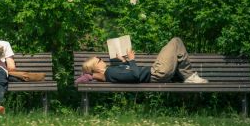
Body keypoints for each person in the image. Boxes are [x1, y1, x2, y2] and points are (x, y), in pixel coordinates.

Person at [79, 37, 208, 84]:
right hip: (157, 73)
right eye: (99, 60)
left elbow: (127, 73)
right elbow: (135, 76)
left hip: (157, 72)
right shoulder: (110, 73)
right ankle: (189, 76)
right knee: (175, 42)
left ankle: (188, 76)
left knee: (174, 45)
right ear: (96, 67)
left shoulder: (111, 71)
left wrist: (124, 61)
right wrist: (132, 59)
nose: (102, 60)